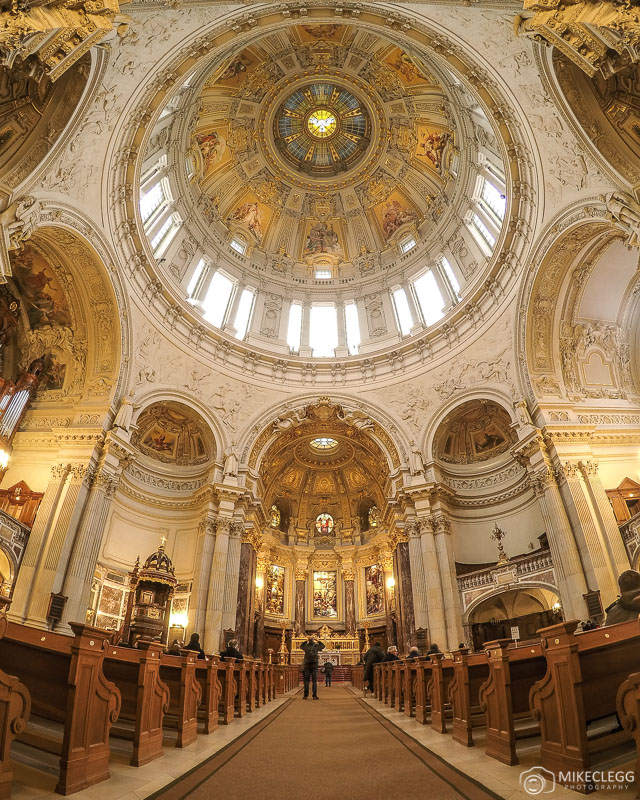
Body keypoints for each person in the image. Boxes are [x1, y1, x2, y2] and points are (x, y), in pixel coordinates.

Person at [300, 633, 325, 699]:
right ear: (313, 640)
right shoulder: (316, 646)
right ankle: (314, 696)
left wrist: (306, 640)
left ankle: (305, 695)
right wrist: (318, 640)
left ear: (309, 640)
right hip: (314, 665)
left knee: (306, 681)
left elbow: (301, 646)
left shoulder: (306, 646)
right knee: (314, 681)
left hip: (307, 665)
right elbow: (323, 646)